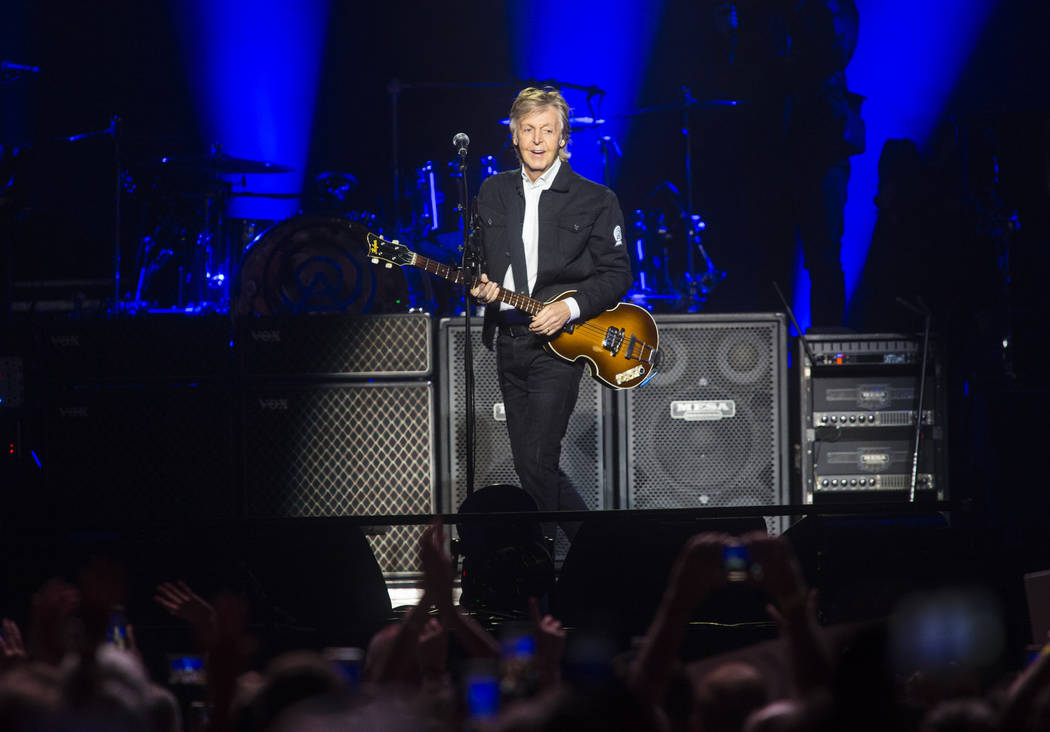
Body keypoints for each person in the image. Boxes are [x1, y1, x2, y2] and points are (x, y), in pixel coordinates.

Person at [470, 86, 632, 544]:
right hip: (507, 340)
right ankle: (560, 564)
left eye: (547, 131)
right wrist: (480, 286)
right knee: (529, 467)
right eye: (528, 130)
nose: (537, 140)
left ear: (564, 138)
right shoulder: (491, 191)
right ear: (514, 136)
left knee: (539, 460)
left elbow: (618, 274)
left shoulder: (594, 199)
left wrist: (568, 307)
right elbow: (479, 261)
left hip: (557, 347)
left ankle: (598, 554)